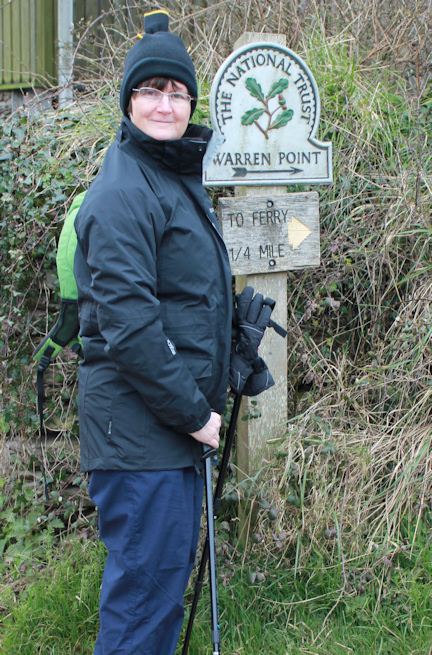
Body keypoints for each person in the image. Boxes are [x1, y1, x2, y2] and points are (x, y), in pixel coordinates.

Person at [73, 10, 232, 654]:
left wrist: (234, 345)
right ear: (128, 98)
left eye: (177, 92)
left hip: (162, 434)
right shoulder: (121, 193)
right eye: (150, 90)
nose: (165, 104)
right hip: (142, 439)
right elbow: (131, 328)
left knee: (158, 605)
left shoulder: (169, 174)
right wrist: (198, 414)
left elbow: (183, 297)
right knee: (143, 612)